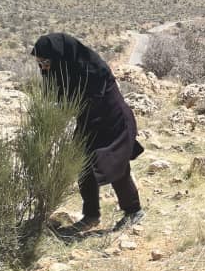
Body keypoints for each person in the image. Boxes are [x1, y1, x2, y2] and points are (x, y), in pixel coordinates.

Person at [31, 33, 145, 234]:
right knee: (83, 166)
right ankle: (91, 215)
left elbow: (89, 100)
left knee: (114, 165)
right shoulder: (62, 68)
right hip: (89, 122)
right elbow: (56, 98)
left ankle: (133, 211)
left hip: (113, 122)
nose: (43, 67)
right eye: (39, 62)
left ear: (59, 56)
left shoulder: (92, 69)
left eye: (46, 62)